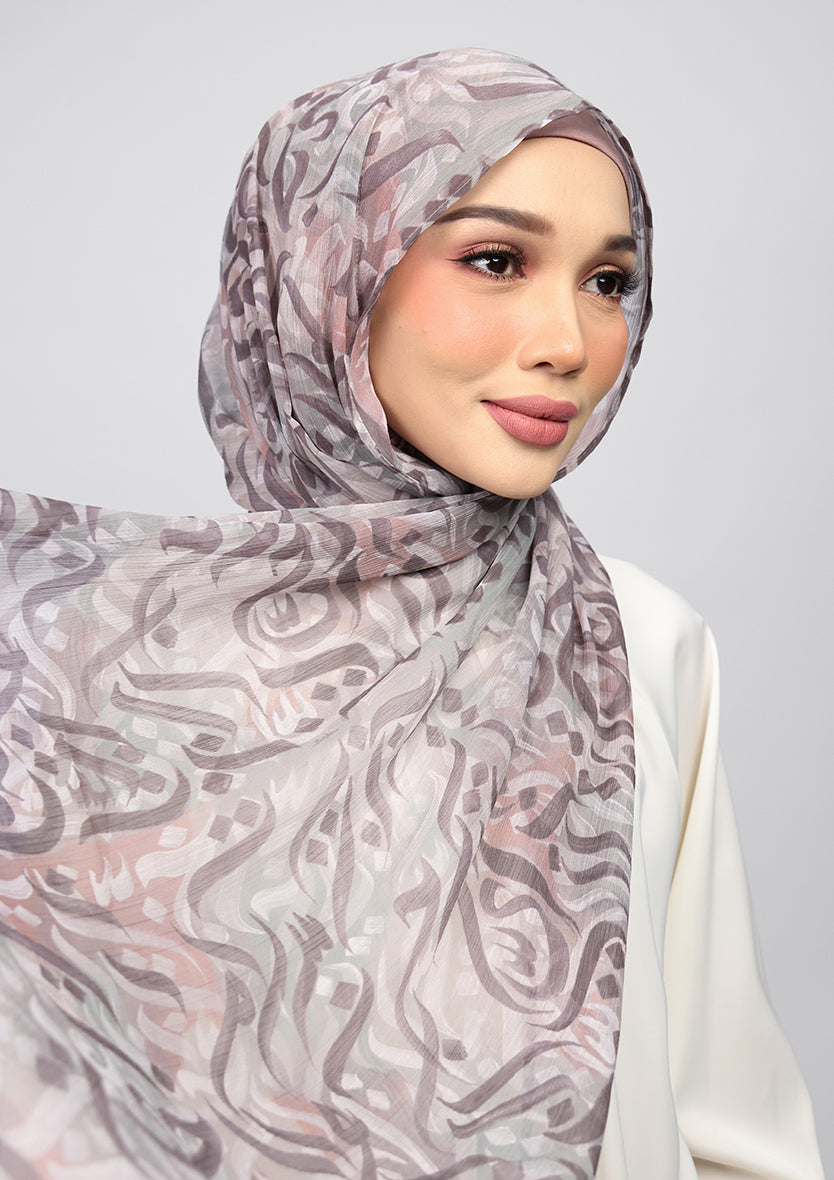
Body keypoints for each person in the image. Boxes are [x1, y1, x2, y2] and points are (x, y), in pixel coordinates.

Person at [0, 48, 822, 1180]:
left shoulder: (642, 641)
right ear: (329, 275)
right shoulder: (81, 671)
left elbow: (734, 1131)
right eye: (497, 259)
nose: (569, 341)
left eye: (608, 280)